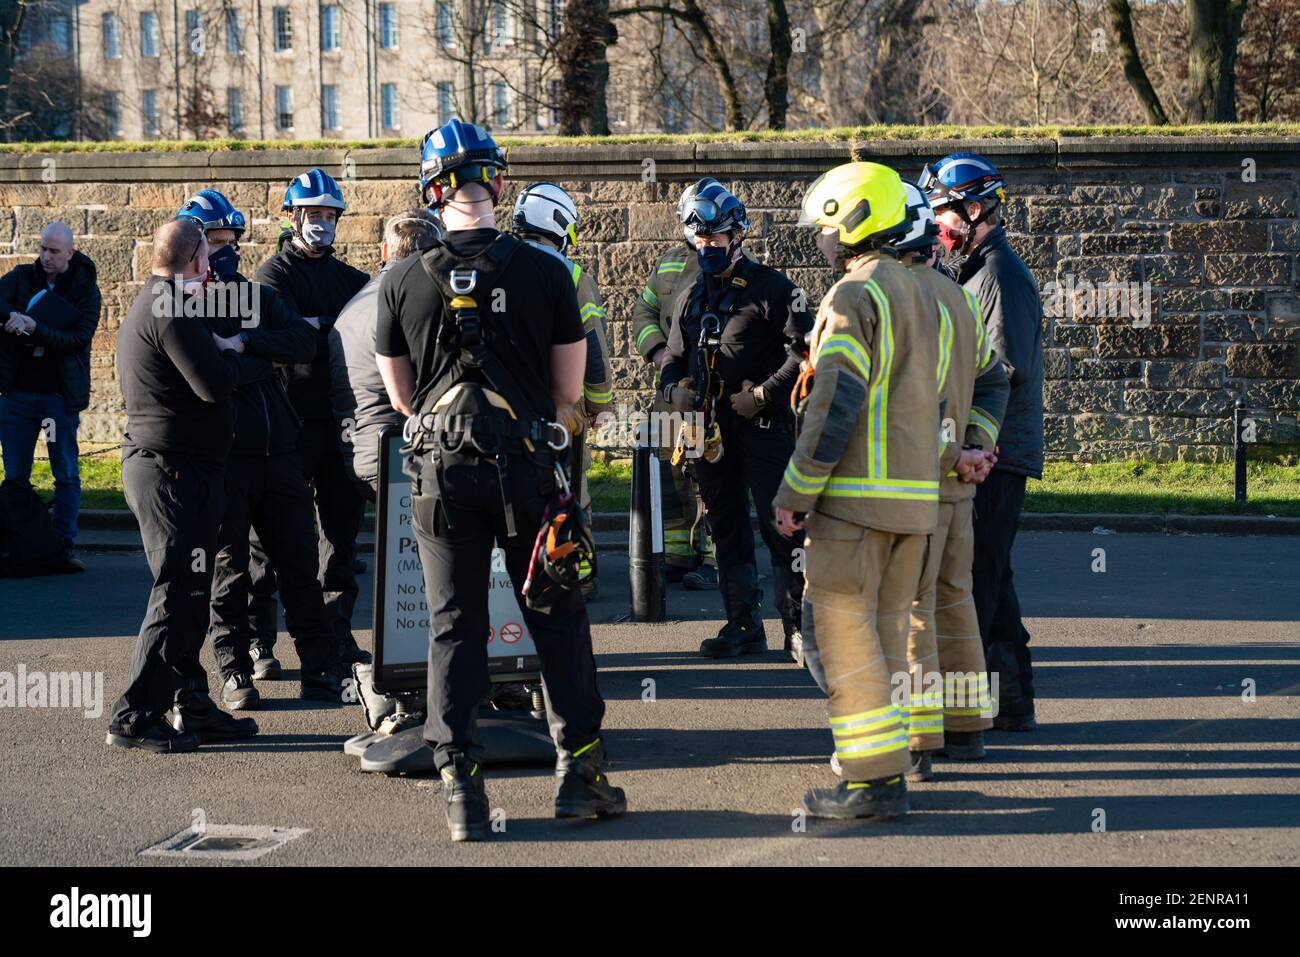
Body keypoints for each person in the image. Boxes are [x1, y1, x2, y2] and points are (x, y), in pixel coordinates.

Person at [375, 119, 624, 842]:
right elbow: (571, 391)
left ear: (431, 190)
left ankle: (463, 791)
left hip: (442, 478)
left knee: (455, 627)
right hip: (527, 471)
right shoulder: (549, 273)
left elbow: (400, 400)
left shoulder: (399, 281)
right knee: (556, 615)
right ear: (499, 184)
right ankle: (580, 774)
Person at [773, 162, 939, 821]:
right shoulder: (918, 288)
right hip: (912, 503)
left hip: (856, 504)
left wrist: (795, 492)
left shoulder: (853, 295)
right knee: (885, 635)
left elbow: (834, 402)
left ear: (853, 221)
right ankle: (888, 769)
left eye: (826, 226)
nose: (821, 240)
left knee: (839, 637)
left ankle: (871, 783)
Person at [174, 189, 352, 710]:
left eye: (230, 241)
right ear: (193, 245)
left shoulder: (253, 296)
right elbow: (206, 375)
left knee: (299, 563)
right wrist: (255, 361)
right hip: (224, 458)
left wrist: (248, 348)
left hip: (281, 451)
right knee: (229, 572)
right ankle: (235, 671)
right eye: (212, 241)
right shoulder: (179, 302)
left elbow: (302, 342)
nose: (223, 252)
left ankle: (319, 669)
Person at [106, 219, 251, 751]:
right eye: (207, 261)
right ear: (193, 262)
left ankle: (191, 704)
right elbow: (212, 385)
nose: (211, 271)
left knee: (190, 593)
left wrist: (211, 344)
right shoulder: (174, 308)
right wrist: (230, 348)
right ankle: (133, 717)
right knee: (177, 592)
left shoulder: (158, 301)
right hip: (172, 474)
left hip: (179, 469)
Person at [887, 181, 1009, 781]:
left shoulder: (899, 298)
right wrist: (977, 447)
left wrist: (952, 455)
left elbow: (920, 404)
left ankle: (916, 739)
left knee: (912, 612)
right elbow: (993, 380)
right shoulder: (956, 297)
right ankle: (965, 731)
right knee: (955, 603)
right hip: (957, 492)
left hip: (917, 489)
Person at [659, 182, 810, 660]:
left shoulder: (774, 289)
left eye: (716, 238)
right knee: (725, 527)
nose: (708, 247)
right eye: (700, 240)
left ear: (737, 234)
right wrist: (674, 390)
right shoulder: (689, 297)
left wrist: (765, 394)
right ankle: (742, 623)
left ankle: (798, 627)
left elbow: (807, 352)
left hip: (764, 429)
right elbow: (674, 359)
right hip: (710, 432)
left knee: (781, 527)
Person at [920, 152, 1044, 731]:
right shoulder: (975, 271)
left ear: (975, 209)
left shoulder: (998, 276)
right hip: (989, 447)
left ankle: (974, 712)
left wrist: (969, 441)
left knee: (978, 578)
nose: (937, 225)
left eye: (943, 211)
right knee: (993, 571)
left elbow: (1002, 369)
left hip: (997, 451)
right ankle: (1012, 701)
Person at [251, 168, 372, 673]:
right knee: (270, 535)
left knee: (340, 537)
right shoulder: (272, 274)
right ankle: (260, 643)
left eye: (328, 215)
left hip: (341, 421)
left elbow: (366, 327)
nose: (321, 224)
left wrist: (310, 328)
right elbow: (278, 337)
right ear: (292, 217)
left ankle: (335, 635)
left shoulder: (351, 279)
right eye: (312, 215)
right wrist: (324, 329)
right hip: (288, 422)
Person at [509, 181, 613, 595]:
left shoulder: (499, 262)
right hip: (562, 405)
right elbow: (593, 345)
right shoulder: (571, 275)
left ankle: (524, 573)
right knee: (571, 488)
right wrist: (601, 404)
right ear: (557, 224)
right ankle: (573, 571)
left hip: (510, 405)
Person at [630, 179, 722, 589]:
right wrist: (658, 354)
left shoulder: (733, 262)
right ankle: (680, 557)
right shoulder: (667, 262)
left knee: (712, 473)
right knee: (672, 472)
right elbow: (643, 313)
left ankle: (720, 560)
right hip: (671, 391)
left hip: (711, 391)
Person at [0, 222, 101, 569]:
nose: (45, 256)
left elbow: (78, 338)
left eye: (54, 251)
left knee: (65, 472)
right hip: (17, 397)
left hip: (55, 401)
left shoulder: (85, 288)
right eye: (42, 248)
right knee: (15, 476)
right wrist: (11, 316)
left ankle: (62, 546)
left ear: (70, 253)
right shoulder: (19, 278)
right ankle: (20, 543)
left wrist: (35, 328)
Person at [334, 209, 445, 499]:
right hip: (400, 454)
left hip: (356, 450)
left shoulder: (354, 302)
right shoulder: (416, 301)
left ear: (385, 250)